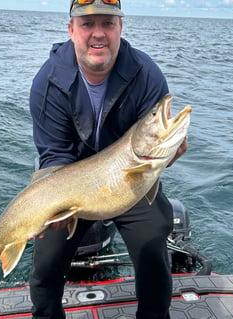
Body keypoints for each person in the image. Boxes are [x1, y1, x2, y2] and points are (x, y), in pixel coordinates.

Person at [29, 0, 188, 318]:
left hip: (129, 178)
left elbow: (150, 150)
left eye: (108, 23)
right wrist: (58, 208)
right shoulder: (47, 82)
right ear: (71, 30)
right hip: (70, 184)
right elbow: (55, 155)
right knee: (45, 264)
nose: (98, 34)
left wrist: (168, 154)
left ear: (121, 28)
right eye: (87, 24)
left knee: (154, 247)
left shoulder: (146, 74)